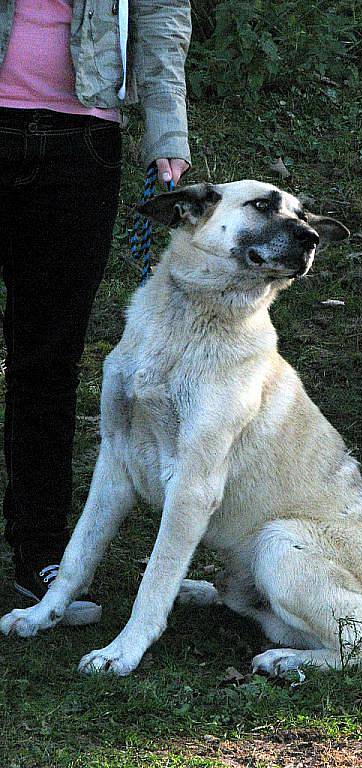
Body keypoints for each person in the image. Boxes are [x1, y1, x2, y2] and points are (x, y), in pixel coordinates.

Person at [0, 1, 191, 625]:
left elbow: (161, 16)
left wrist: (167, 131)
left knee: (47, 364)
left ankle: (39, 555)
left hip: (82, 149)